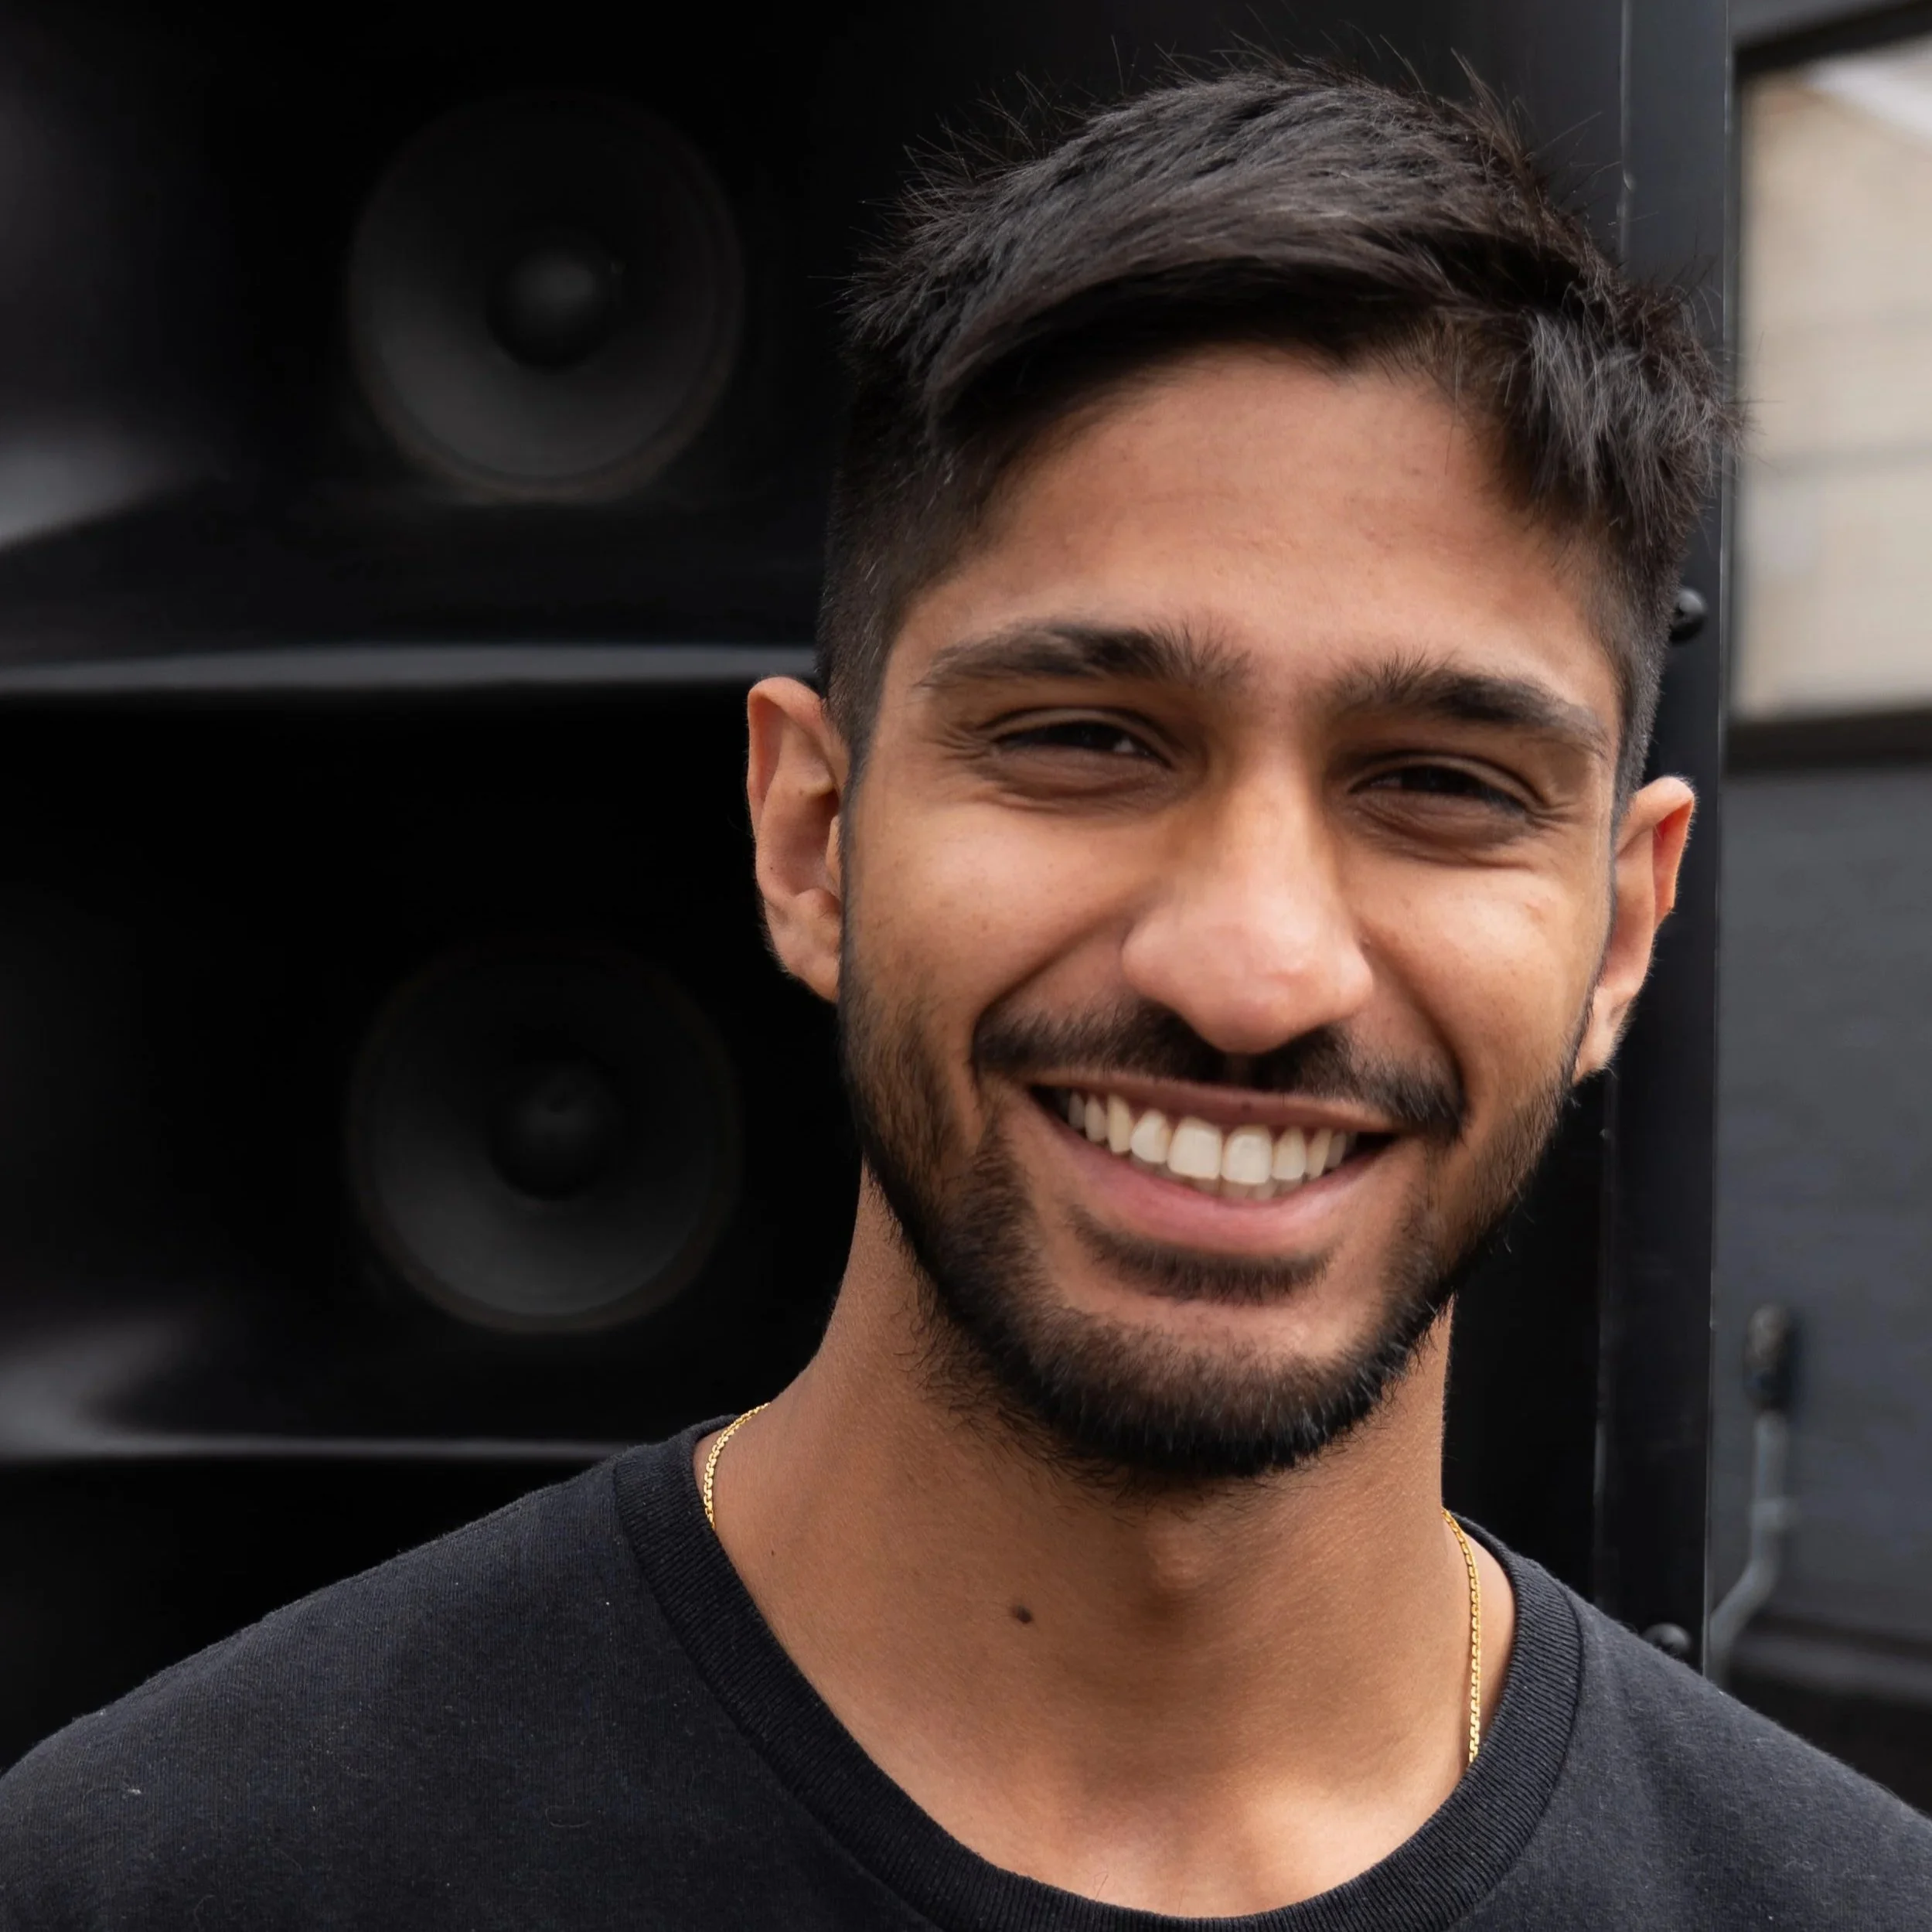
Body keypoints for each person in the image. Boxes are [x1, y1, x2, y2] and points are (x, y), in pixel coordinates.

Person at [4, 58, 1930, 1931]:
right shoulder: (164, 1874)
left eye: (1439, 782)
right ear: (812, 835)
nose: (1252, 970)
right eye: (1087, 738)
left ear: (1616, 929)